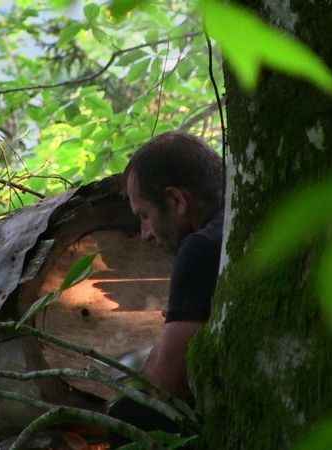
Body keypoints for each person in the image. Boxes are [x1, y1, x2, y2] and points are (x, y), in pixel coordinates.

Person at [109, 131, 224, 433]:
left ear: (176, 200)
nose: (145, 232)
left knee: (126, 417)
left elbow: (166, 385)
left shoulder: (202, 246)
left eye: (144, 215)